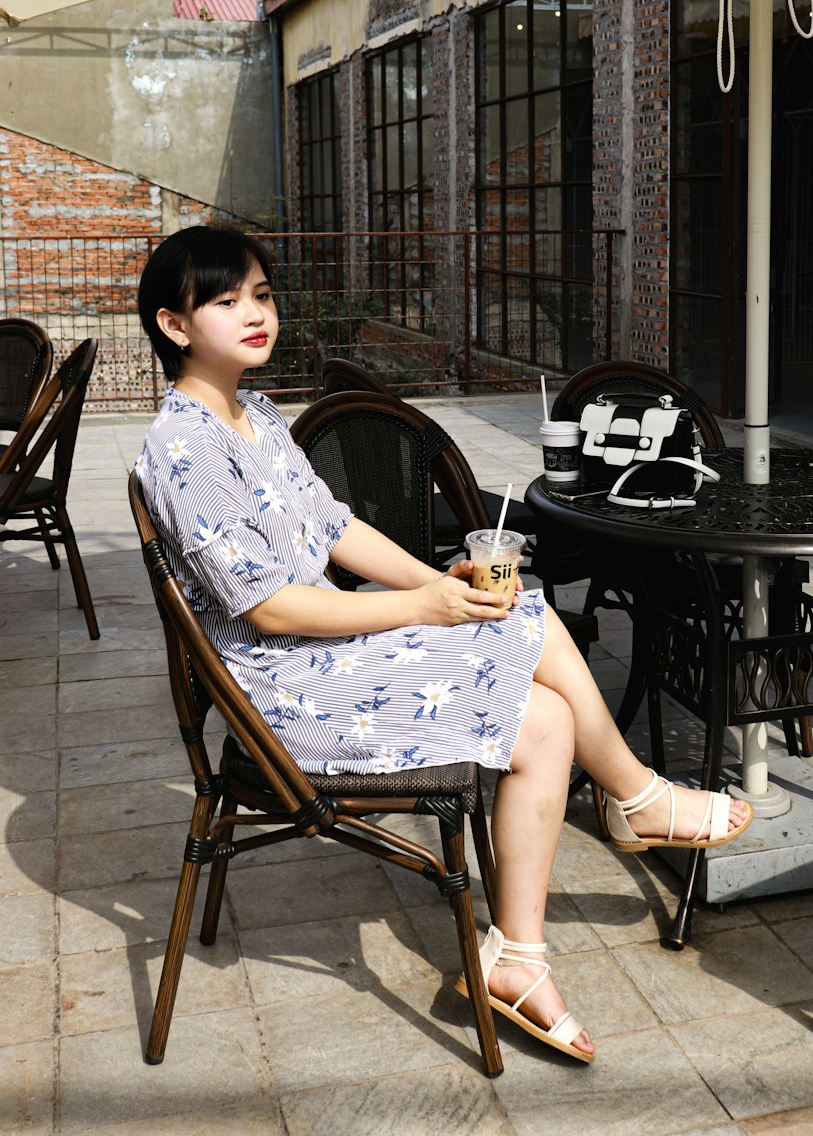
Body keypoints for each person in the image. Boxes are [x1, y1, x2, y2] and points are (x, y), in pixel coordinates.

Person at [136, 226, 752, 1066]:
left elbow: (337, 526)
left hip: (316, 665)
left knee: (539, 711)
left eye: (263, 295)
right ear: (176, 326)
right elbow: (271, 609)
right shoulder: (181, 446)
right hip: (279, 696)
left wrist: (436, 584)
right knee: (527, 621)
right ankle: (636, 799)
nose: (255, 314)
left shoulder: (256, 414)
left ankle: (517, 959)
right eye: (226, 300)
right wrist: (420, 604)